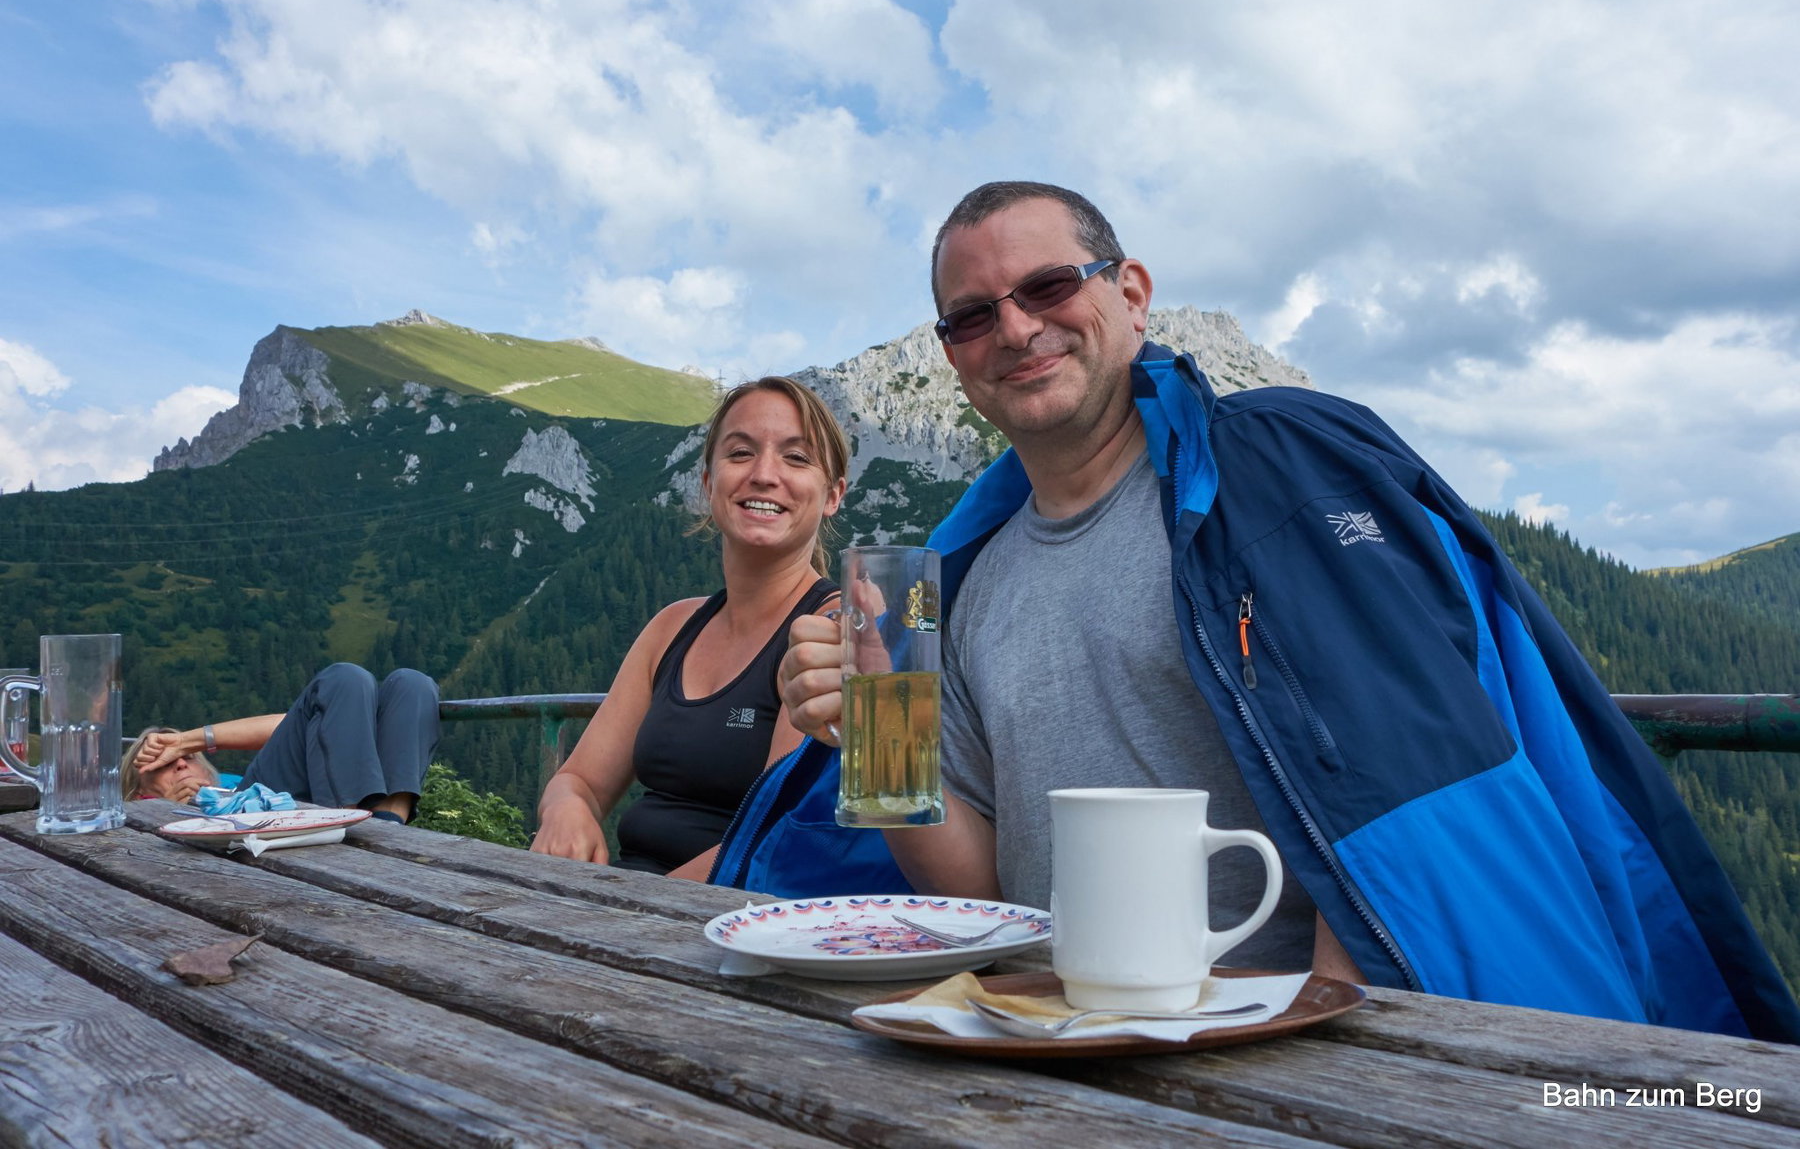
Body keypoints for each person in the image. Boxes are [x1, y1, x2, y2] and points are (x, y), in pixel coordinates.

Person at [743, 180, 1800, 1042]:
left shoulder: (1271, 479)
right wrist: (875, 746)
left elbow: (1398, 774)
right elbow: (976, 881)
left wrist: (1327, 1027)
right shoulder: (961, 575)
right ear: (952, 356)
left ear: (1132, 291)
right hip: (1061, 1034)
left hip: (1284, 1035)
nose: (1015, 327)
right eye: (973, 315)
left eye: (1049, 285)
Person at [531, 377, 849, 880]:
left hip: (729, 919)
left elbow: (772, 838)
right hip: (629, 899)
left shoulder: (830, 631)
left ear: (833, 496)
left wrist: (622, 908)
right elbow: (580, 780)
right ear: (708, 483)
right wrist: (566, 808)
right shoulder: (673, 626)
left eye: (796, 457)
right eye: (741, 452)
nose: (765, 475)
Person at [125, 663, 440, 823]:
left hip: (282, 798)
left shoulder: (227, 783)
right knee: (343, 677)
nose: (179, 762)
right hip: (245, 821)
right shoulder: (139, 814)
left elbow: (291, 723)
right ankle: (351, 820)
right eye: (161, 764)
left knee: (412, 685)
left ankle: (387, 823)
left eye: (187, 757)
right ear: (139, 791)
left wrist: (184, 740)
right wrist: (168, 812)